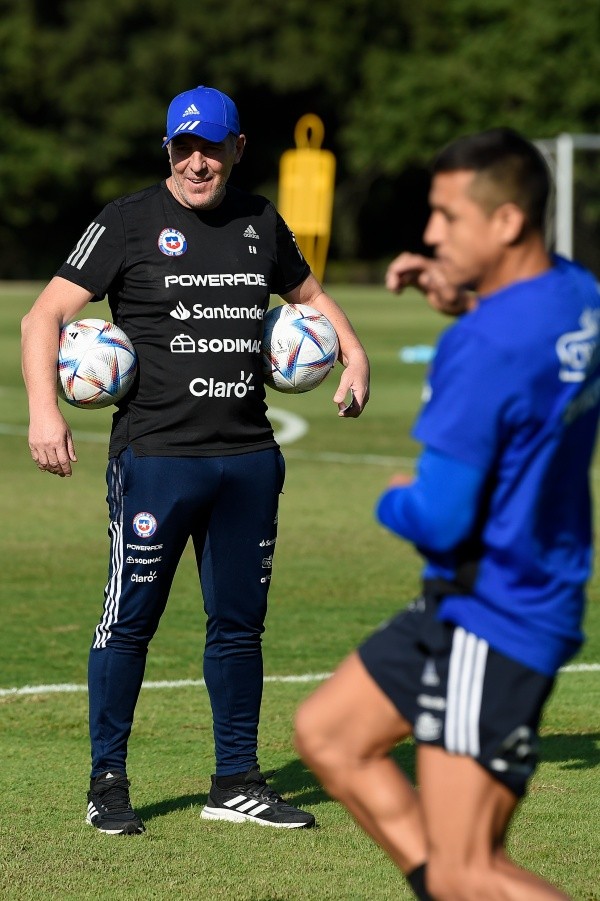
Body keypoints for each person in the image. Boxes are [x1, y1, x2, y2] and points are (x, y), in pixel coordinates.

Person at [21, 85, 370, 835]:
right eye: (184, 147)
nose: (197, 161)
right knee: (130, 621)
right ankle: (107, 781)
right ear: (168, 151)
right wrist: (44, 411)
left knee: (240, 626)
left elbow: (310, 295)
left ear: (238, 148)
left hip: (247, 458)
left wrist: (356, 352)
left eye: (211, 146)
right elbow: (42, 314)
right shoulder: (127, 221)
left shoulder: (260, 221)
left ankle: (236, 780)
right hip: (156, 458)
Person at [294, 127, 600, 899]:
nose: (429, 233)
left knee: (473, 871)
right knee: (330, 736)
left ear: (505, 224)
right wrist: (461, 290)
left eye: (447, 216)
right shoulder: (577, 295)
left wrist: (390, 495)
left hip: (491, 612)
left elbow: (439, 517)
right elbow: (530, 334)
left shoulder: (483, 346)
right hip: (510, 594)